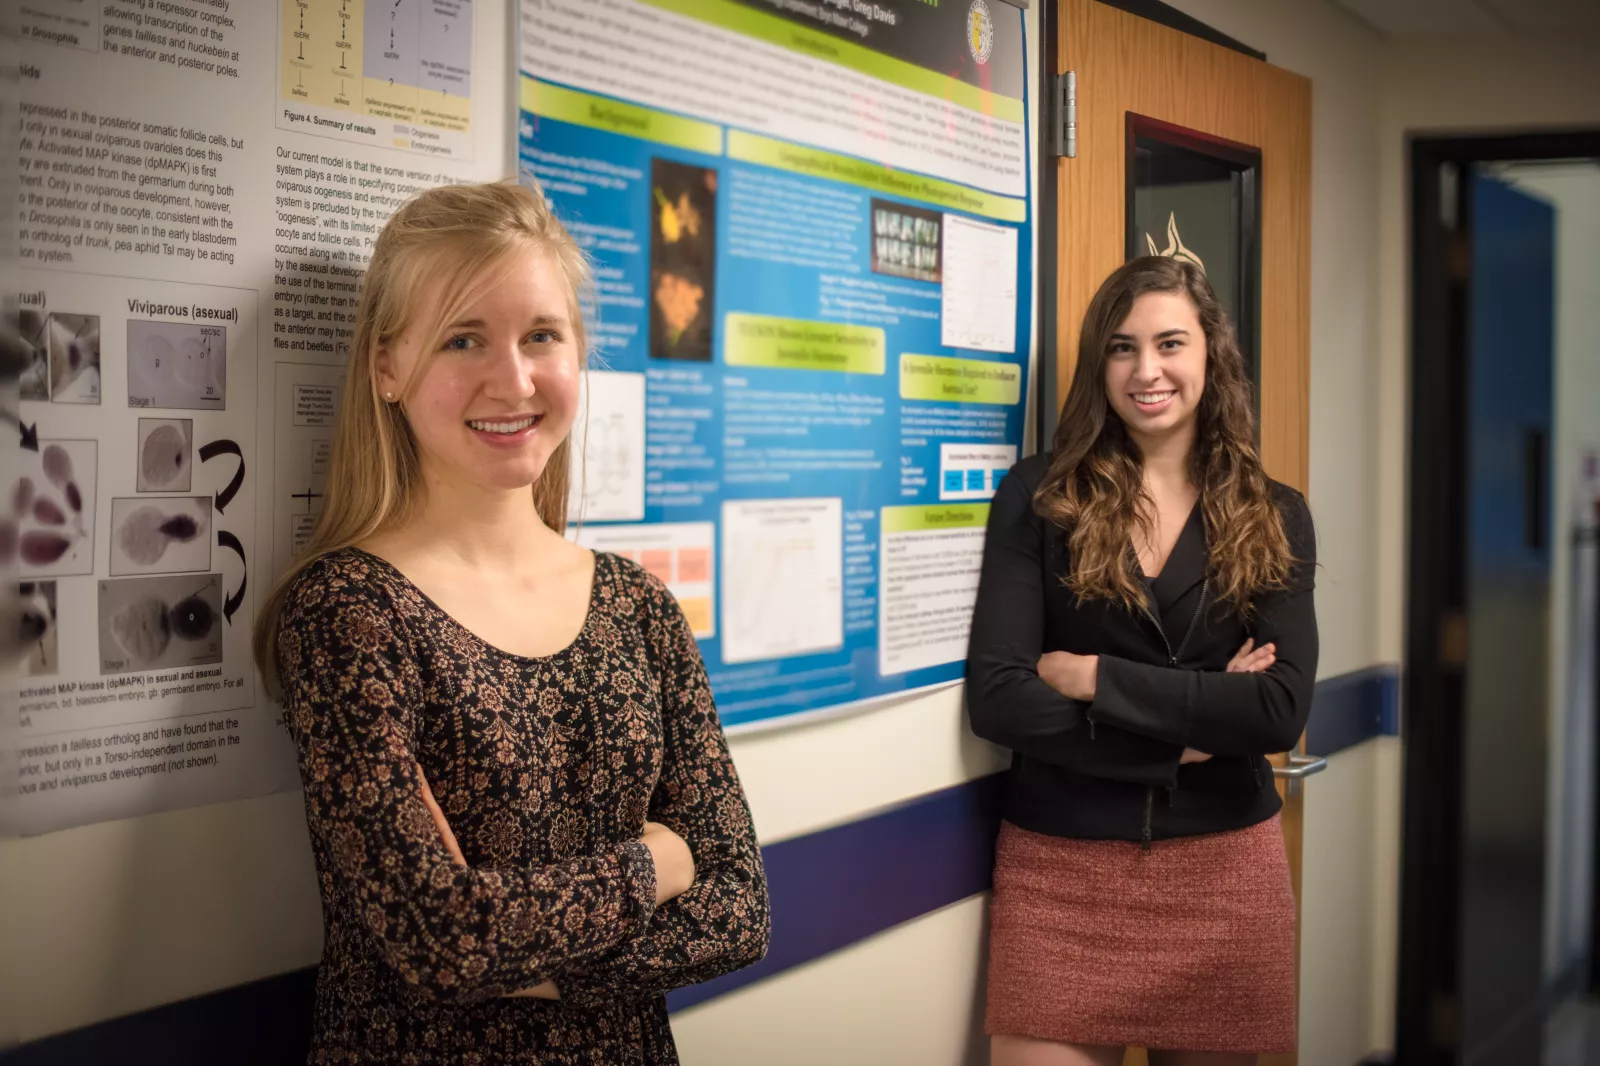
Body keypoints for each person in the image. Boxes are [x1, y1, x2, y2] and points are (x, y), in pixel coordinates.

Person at [253, 180, 769, 1065]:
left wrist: (516, 946)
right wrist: (656, 866)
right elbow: (439, 944)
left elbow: (739, 910)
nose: (515, 379)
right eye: (463, 339)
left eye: (541, 336)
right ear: (386, 366)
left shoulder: (638, 608)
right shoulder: (348, 613)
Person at [966, 255, 1318, 1065]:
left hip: (1225, 875)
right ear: (1100, 363)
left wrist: (1094, 678)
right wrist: (1187, 732)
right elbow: (1001, 699)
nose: (1146, 370)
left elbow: (1278, 710)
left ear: (1209, 356)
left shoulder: (1274, 514)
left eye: (1170, 343)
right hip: (1061, 868)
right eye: (1122, 348)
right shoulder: (1038, 497)